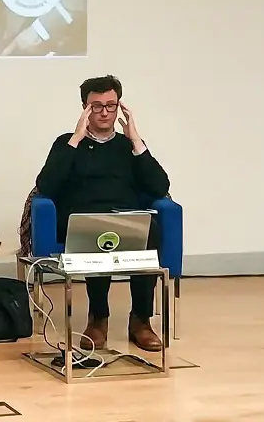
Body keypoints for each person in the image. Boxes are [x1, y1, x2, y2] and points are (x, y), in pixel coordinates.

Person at [36, 76, 171, 352]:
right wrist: (76, 137)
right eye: (96, 106)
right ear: (85, 108)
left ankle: (141, 321)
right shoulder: (67, 144)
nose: (105, 112)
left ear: (119, 107)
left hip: (124, 216)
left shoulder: (128, 146)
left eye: (111, 105)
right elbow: (46, 186)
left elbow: (160, 186)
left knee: (150, 229)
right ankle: (98, 319)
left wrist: (135, 140)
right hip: (81, 219)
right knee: (97, 231)